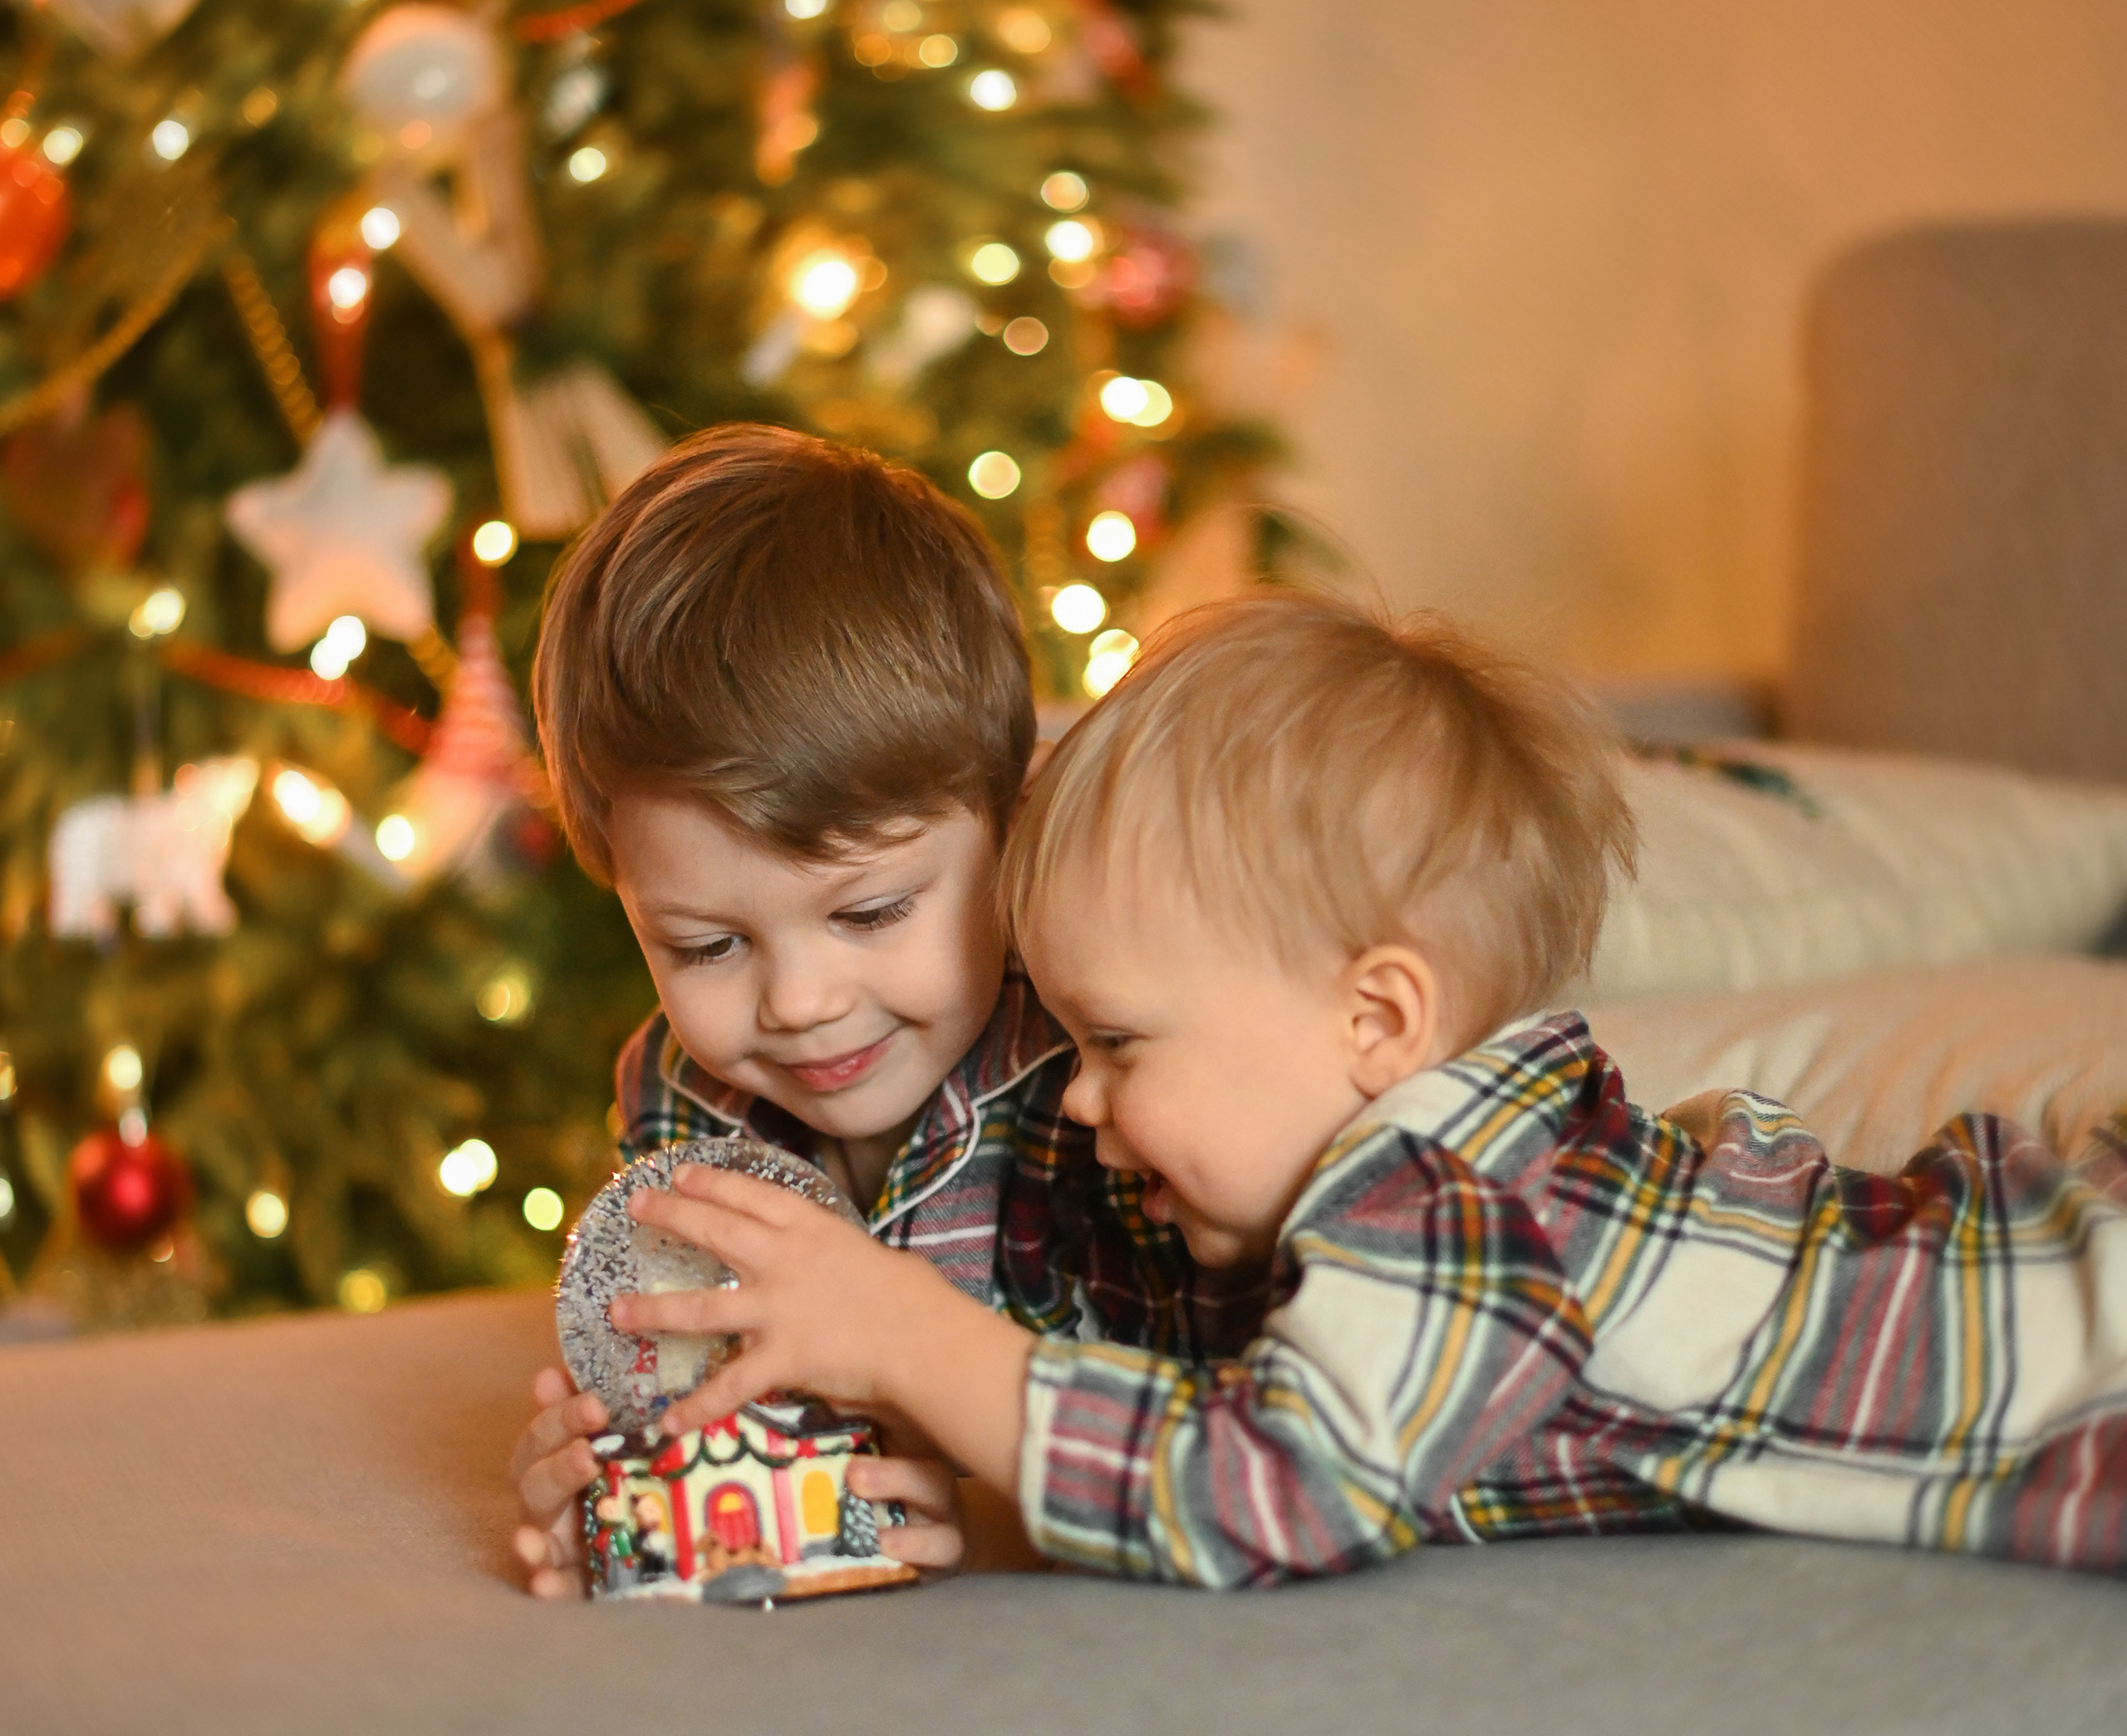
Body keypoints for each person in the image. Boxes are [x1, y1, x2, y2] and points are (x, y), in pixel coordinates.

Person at [621, 593, 2127, 1586]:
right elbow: (1180, 1373)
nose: (1074, 1103)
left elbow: (1267, 1486)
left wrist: (915, 1338)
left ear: (1378, 1018)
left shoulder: (1448, 1196)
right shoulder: (1352, 1209)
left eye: (1122, 1046)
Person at [508, 425, 1249, 1595]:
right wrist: (632, 1492)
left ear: (1009, 820)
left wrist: (952, 1406)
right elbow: (712, 1389)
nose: (800, 1004)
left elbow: (1250, 1412)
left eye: (870, 914)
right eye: (706, 944)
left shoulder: (1112, 1054)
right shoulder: (677, 1098)